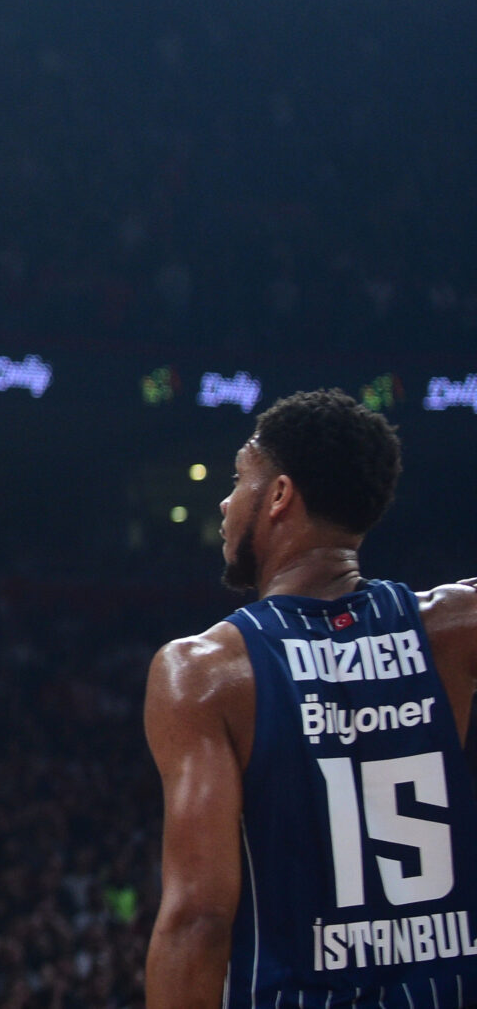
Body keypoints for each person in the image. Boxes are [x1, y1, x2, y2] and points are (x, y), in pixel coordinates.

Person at [144, 389, 477, 1008]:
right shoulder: (455, 626)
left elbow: (199, 919)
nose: (225, 500)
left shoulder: (205, 672)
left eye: (240, 478)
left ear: (278, 496)